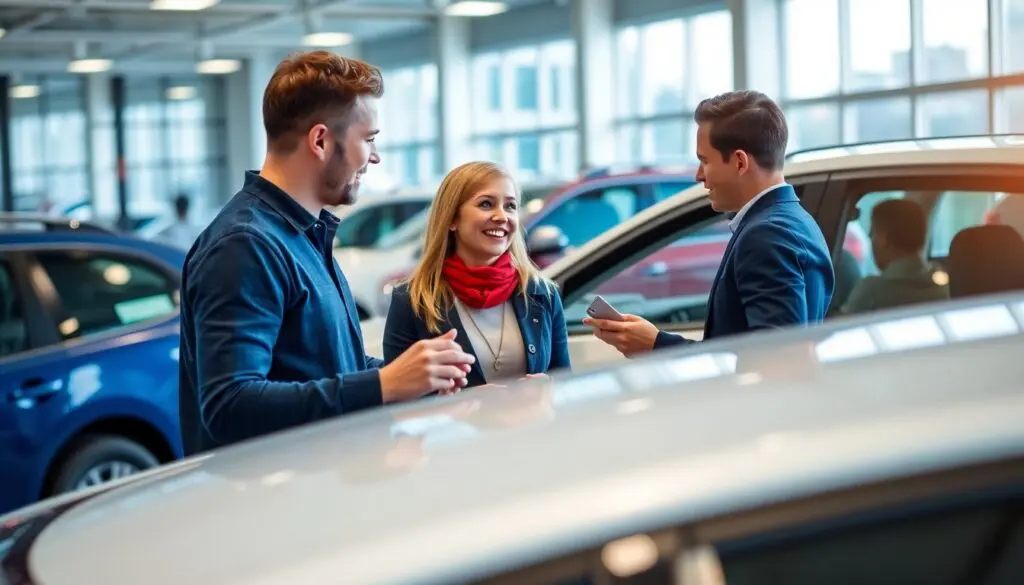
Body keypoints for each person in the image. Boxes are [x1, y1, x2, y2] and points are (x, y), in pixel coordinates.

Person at [178, 51, 475, 455]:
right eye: (368, 140)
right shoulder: (246, 245)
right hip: (271, 509)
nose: (374, 156)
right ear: (320, 140)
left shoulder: (302, 234)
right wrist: (383, 385)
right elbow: (230, 406)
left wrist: (415, 377)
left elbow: (326, 371)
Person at [584, 90, 834, 356]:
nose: (698, 175)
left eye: (704, 160)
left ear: (739, 162)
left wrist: (657, 345)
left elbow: (773, 360)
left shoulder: (766, 235)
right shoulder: (798, 221)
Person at [383, 161, 570, 389]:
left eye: (510, 206)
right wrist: (463, 402)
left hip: (533, 425)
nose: (502, 216)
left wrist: (548, 386)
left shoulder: (543, 292)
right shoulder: (412, 301)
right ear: (452, 219)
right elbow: (399, 401)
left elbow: (565, 386)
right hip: (453, 426)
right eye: (486, 204)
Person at [840, 199, 949, 314]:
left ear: (883, 239)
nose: (871, 239)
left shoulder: (871, 292)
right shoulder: (943, 285)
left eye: (872, 233)